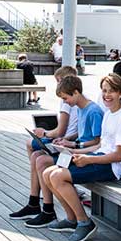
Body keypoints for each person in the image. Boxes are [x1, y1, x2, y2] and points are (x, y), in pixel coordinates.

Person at [41, 73, 121, 241]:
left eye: (111, 91)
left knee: (57, 176)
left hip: (112, 166)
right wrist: (76, 152)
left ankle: (84, 222)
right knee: (48, 172)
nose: (106, 95)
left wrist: (88, 159)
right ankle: (72, 219)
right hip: (100, 157)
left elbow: (118, 155)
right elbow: (99, 146)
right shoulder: (109, 114)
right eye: (104, 91)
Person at [23, 74, 104, 227]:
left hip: (85, 155)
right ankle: (49, 210)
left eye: (66, 98)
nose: (65, 102)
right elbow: (81, 134)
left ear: (76, 92)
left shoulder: (93, 111)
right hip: (74, 150)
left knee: (41, 161)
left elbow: (97, 141)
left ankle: (50, 212)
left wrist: (73, 145)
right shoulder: (81, 108)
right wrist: (67, 140)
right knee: (37, 156)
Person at [8, 66, 80, 222]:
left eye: (59, 82)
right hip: (68, 142)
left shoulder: (69, 102)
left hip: (69, 146)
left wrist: (46, 133)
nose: (58, 88)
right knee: (36, 156)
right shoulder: (74, 100)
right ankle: (36, 202)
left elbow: (61, 131)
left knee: (37, 155)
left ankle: (45, 207)